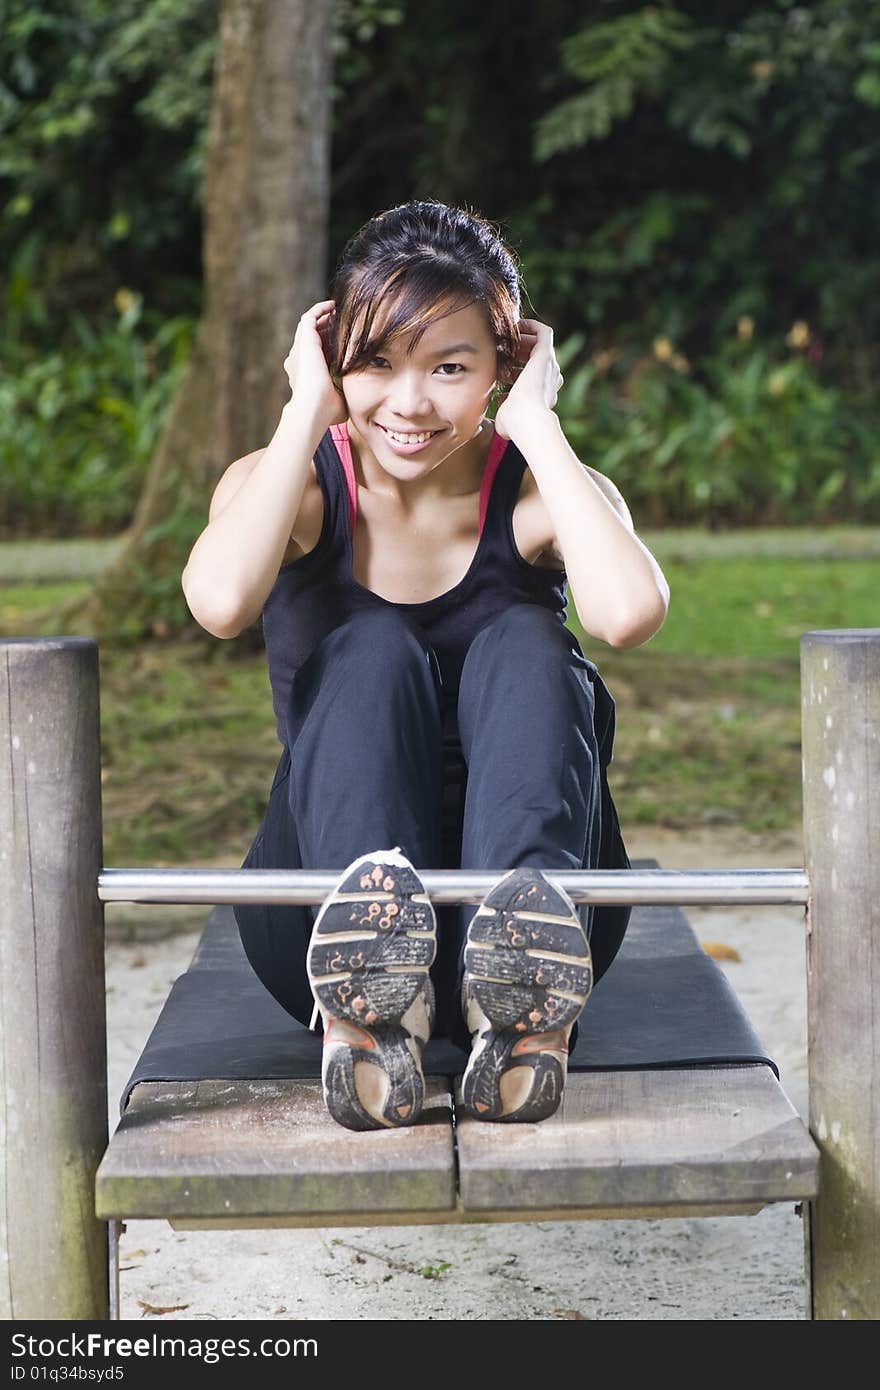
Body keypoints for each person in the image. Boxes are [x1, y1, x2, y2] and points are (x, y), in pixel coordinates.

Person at [181, 199, 669, 1134]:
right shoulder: (290, 486)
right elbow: (220, 601)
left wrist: (539, 428)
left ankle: (519, 993)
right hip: (325, 920)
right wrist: (301, 417)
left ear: (504, 367)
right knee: (370, 648)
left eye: (450, 367)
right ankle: (369, 1008)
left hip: (542, 923)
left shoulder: (536, 495)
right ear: (333, 363)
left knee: (530, 643)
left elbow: (629, 614)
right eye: (375, 363)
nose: (408, 404)